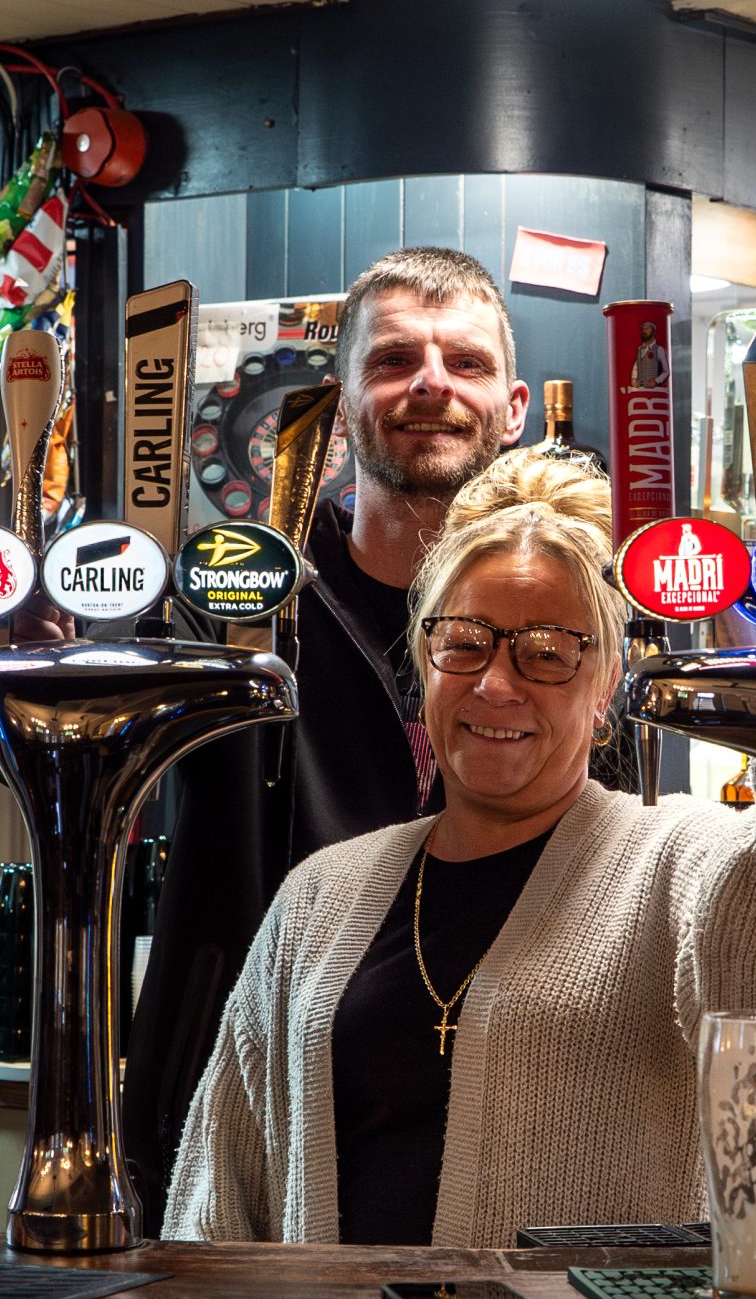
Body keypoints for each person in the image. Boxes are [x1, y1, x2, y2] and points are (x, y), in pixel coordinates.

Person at [164, 449, 756, 1246]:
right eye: (465, 641)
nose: (496, 683)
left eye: (546, 650)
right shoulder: (322, 893)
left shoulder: (680, 856)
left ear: (607, 691)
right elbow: (220, 1189)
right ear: (422, 663)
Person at [126, 247, 531, 1224]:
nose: (431, 382)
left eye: (464, 362)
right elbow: (79, 778)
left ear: (515, 408)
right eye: (394, 360)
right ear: (337, 403)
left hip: (504, 1102)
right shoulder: (227, 604)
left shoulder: (567, 626)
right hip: (258, 1104)